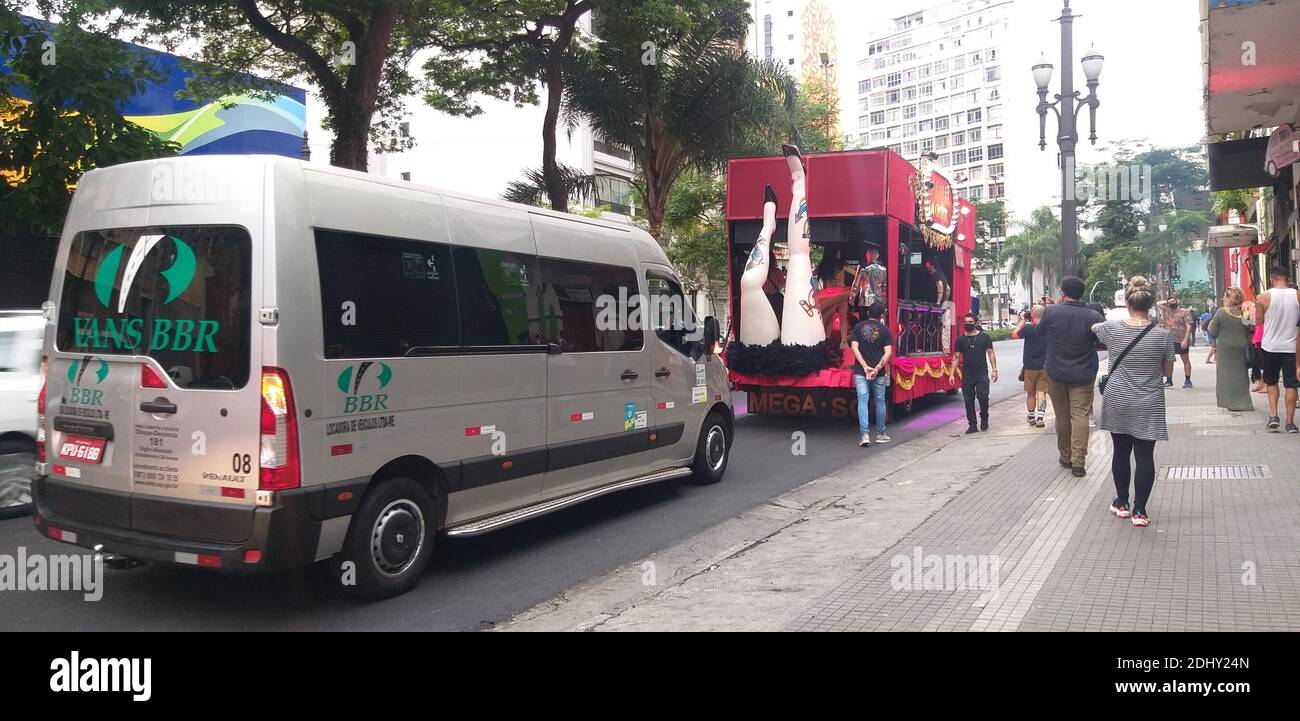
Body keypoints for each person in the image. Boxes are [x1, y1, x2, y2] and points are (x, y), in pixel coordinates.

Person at [1091, 276, 1175, 528]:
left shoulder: (1112, 329)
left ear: (1127, 303)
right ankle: (1140, 510)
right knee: (1145, 454)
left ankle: (1122, 503)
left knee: (1120, 451)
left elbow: (1093, 327)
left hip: (1117, 398)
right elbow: (1168, 373)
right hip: (1149, 401)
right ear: (1149, 306)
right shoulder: (1163, 336)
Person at [1037, 276, 1104, 477]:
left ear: (1062, 293)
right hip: (1083, 373)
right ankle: (1078, 461)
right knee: (1080, 416)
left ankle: (1065, 456)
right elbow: (1104, 342)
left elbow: (1040, 332)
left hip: (1055, 372)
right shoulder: (1093, 316)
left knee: (1062, 416)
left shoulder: (1051, 312)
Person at [1254, 266, 1300, 432]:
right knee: (1291, 384)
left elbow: (1258, 322)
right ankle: (1290, 422)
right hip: (1291, 346)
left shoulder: (1263, 297)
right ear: (1287, 279)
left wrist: (1257, 307)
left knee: (1271, 382)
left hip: (1270, 346)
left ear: (1272, 279)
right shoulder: (1297, 295)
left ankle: (1273, 415)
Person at [850, 302, 894, 447]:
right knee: (880, 401)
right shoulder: (885, 330)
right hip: (878, 373)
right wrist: (876, 368)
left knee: (863, 400)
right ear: (882, 315)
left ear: (868, 313)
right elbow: (888, 353)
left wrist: (865, 366)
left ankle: (865, 435)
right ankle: (881, 434)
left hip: (861, 372)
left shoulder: (857, 327)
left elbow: (854, 349)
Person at [1208, 287, 1254, 412]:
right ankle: (1244, 402)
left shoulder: (1221, 312)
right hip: (1241, 348)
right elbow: (1251, 329)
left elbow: (1213, 332)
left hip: (1225, 349)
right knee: (1241, 375)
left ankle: (1230, 402)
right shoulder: (1245, 312)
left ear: (1229, 297)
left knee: (1226, 376)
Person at [955, 313, 997, 434]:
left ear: (976, 324)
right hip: (967, 373)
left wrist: (994, 370)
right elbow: (956, 357)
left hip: (981, 373)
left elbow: (990, 353)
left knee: (983, 397)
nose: (967, 324)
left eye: (970, 322)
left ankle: (984, 418)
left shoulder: (984, 337)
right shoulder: (960, 339)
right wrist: (952, 373)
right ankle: (972, 424)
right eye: (966, 322)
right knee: (968, 400)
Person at [1013, 305, 1048, 427]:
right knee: (1041, 392)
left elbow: (1015, 335)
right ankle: (1041, 417)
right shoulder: (1047, 329)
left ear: (1032, 314)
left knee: (1031, 393)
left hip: (1030, 366)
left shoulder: (1028, 328)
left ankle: (1031, 416)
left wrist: (1022, 321)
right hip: (1045, 366)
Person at [1156, 297, 1194, 387]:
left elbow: (1189, 327)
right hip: (1169, 339)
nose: (1171, 303)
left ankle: (1188, 380)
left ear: (1177, 302)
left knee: (1185, 359)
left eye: (1173, 301)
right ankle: (1169, 380)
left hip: (1181, 339)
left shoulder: (1184, 312)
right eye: (1170, 302)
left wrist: (1185, 340)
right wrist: (1167, 302)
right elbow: (1157, 303)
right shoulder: (1167, 310)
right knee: (1169, 360)